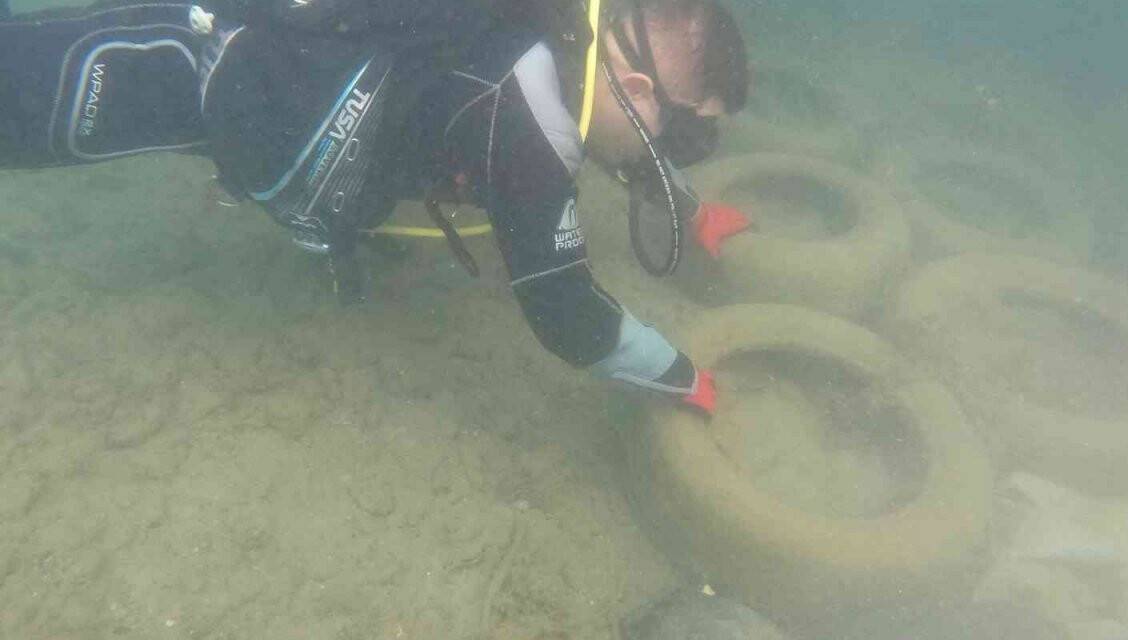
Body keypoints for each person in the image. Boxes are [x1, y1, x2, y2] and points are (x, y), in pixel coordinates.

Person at [0, 0, 752, 414]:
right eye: (681, 138)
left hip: (245, 47)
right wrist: (686, 376)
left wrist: (688, 210)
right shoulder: (535, 134)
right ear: (644, 92)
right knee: (29, 92)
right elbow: (567, 314)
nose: (671, 155)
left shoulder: (565, 25)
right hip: (201, 65)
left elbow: (625, 141)